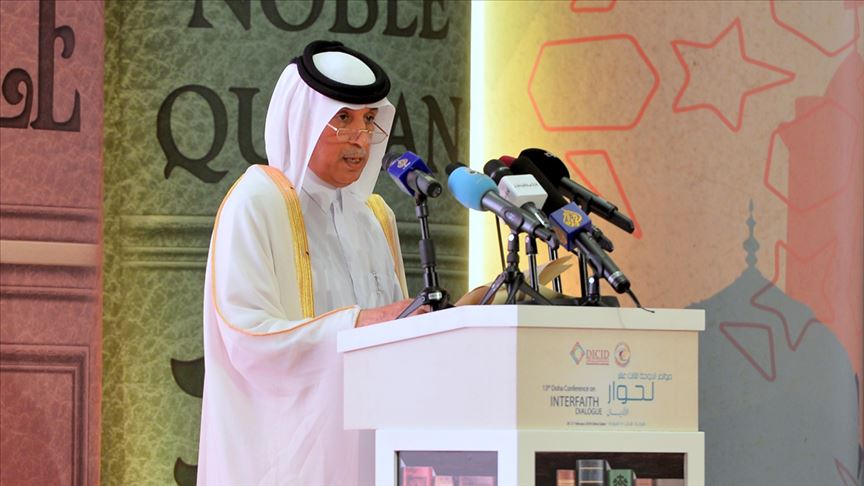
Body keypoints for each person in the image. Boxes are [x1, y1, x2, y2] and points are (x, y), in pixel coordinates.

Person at [197, 40, 421, 485]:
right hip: (282, 460)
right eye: (344, 119)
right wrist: (359, 324)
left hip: (369, 453)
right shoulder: (258, 201)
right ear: (304, 120)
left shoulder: (375, 216)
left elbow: (395, 334)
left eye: (369, 120)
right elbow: (248, 339)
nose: (361, 138)